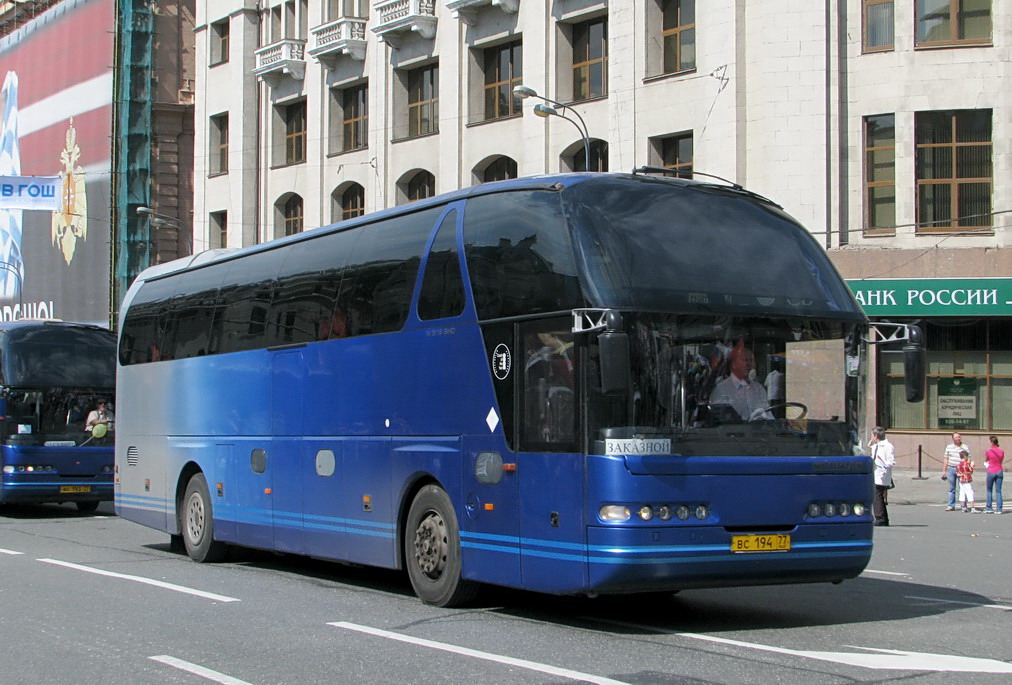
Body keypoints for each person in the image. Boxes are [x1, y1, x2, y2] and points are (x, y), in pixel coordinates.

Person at [709, 340, 770, 421]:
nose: (748, 364)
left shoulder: (759, 389)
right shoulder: (721, 390)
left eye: (751, 360)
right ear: (734, 364)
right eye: (744, 360)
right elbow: (718, 421)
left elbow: (768, 416)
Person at [870, 426, 895, 527]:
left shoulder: (887, 446)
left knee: (877, 496)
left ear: (876, 435)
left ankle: (880, 518)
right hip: (876, 474)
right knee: (879, 496)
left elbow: (891, 460)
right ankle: (883, 518)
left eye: (872, 435)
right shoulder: (877, 446)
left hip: (882, 474)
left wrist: (885, 467)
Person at [941, 432, 969, 511]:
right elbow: (946, 459)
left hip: (962, 469)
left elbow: (968, 459)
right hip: (951, 468)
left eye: (959, 437)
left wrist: (967, 469)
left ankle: (963, 505)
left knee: (963, 488)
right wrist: (944, 471)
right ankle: (951, 505)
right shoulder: (949, 447)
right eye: (956, 437)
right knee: (951, 488)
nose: (958, 439)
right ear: (953, 438)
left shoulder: (965, 447)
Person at [983, 435, 1004, 514]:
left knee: (989, 490)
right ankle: (999, 509)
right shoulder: (1001, 451)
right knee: (998, 491)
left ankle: (989, 507)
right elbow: (1001, 461)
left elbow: (986, 460)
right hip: (999, 470)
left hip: (991, 471)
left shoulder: (989, 451)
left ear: (992, 442)